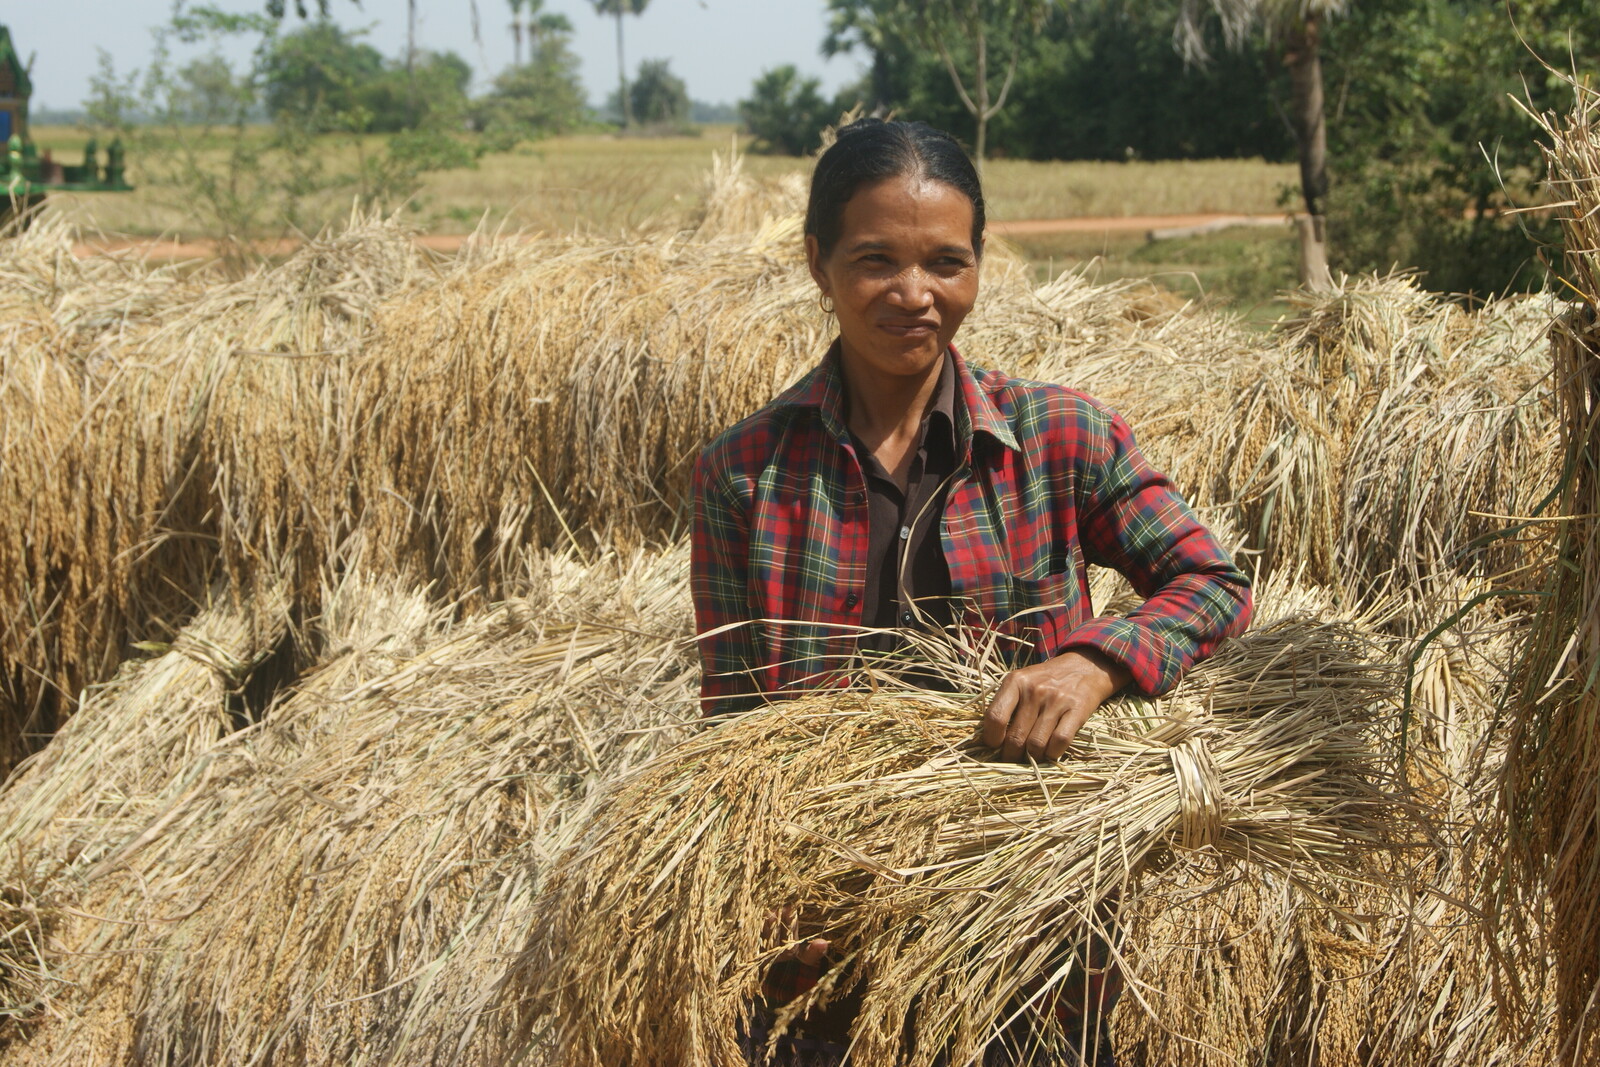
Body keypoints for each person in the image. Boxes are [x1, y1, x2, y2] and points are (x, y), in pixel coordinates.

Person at [690, 118, 1252, 1066]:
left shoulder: (1062, 436)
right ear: (818, 263)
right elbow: (732, 716)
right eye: (876, 261)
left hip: (1028, 918)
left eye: (947, 262)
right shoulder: (743, 470)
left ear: (981, 264)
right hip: (831, 926)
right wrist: (767, 902)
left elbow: (1210, 582)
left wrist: (1094, 662)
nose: (915, 295)